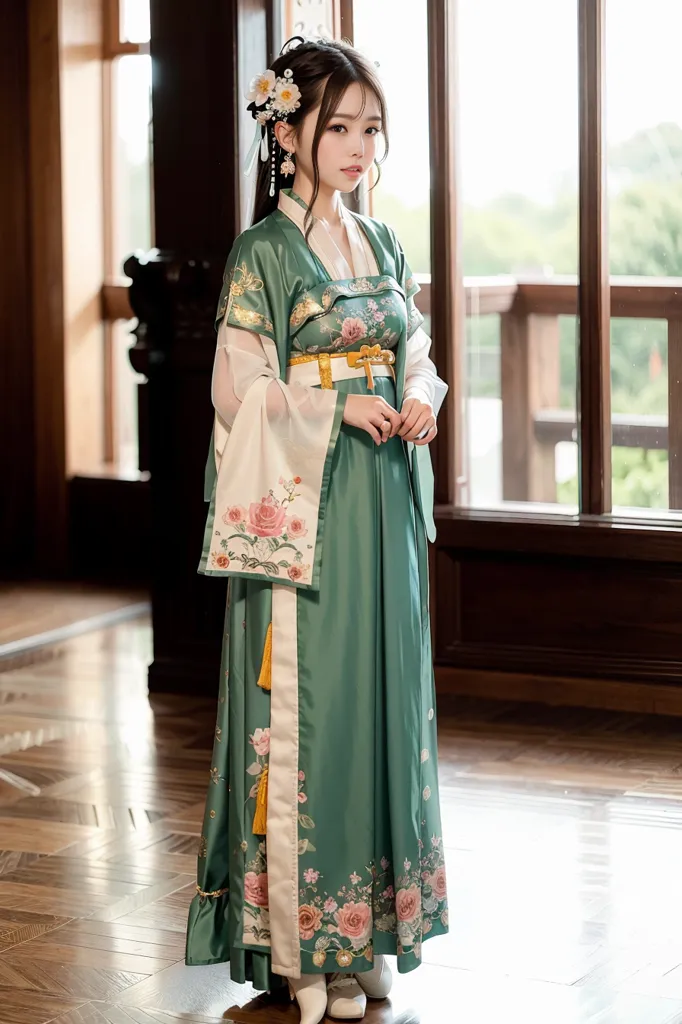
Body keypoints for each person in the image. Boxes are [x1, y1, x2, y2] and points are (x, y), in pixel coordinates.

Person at [186, 35, 449, 1024]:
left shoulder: (379, 245)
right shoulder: (263, 253)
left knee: (380, 710)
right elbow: (235, 388)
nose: (357, 145)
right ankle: (301, 944)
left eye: (369, 128)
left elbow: (413, 347)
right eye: (337, 126)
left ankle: (368, 929)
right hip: (304, 510)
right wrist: (336, 408)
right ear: (285, 132)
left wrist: (419, 395)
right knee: (315, 713)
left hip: (381, 498)